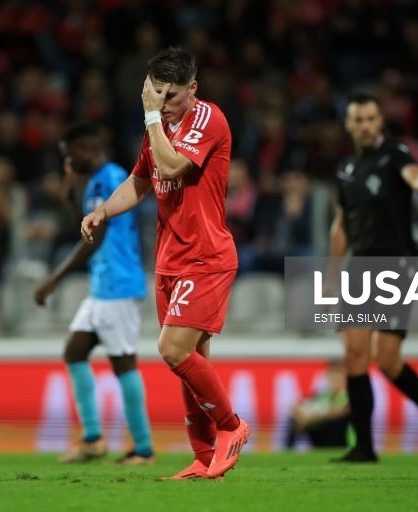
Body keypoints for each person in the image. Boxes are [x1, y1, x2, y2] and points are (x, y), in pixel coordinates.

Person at [80, 47, 250, 480]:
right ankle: (203, 455)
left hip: (205, 257)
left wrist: (152, 116)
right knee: (192, 367)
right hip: (169, 260)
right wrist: (103, 210)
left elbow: (172, 167)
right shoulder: (160, 125)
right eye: (155, 94)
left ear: (193, 89)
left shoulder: (208, 120)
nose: (162, 103)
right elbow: (141, 180)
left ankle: (233, 426)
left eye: (171, 96)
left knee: (172, 350)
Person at [330, 93, 418, 463]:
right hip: (359, 267)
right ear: (349, 125)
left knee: (386, 359)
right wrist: (332, 274)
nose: (367, 125)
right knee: (354, 354)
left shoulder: (395, 156)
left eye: (372, 119)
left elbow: (416, 177)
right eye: (360, 120)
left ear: (379, 122)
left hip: (394, 267)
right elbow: (342, 224)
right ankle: (364, 448)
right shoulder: (346, 170)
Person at [34, 122, 153, 465]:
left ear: (86, 150)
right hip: (103, 287)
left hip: (119, 286)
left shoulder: (112, 178)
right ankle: (92, 440)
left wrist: (54, 279)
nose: (67, 163)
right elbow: (85, 228)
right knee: (74, 353)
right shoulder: (92, 184)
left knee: (123, 364)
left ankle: (143, 449)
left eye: (70, 156)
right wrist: (72, 193)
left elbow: (96, 237)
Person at [284, 361, 350, 450]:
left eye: (339, 374)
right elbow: (296, 406)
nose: (335, 378)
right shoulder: (323, 395)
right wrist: (301, 415)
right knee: (294, 421)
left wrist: (311, 418)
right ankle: (288, 451)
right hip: (318, 425)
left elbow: (340, 411)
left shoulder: (349, 394)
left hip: (337, 431)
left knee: (337, 422)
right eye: (332, 374)